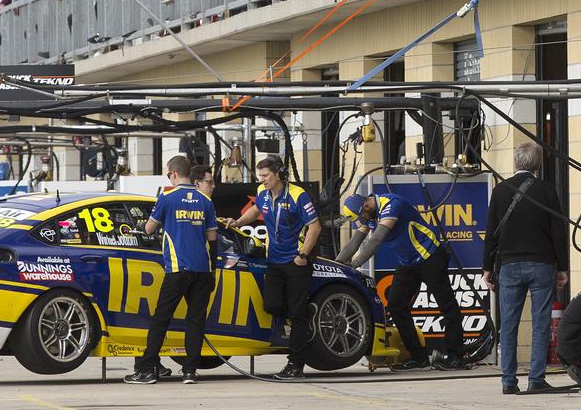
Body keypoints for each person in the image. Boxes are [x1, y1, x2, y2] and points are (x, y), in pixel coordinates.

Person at [338, 192, 465, 371]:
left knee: (447, 306)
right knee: (396, 306)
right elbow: (355, 241)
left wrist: (354, 265)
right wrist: (337, 265)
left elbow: (375, 240)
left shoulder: (391, 204)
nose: (361, 221)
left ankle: (456, 357)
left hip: (429, 256)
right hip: (408, 262)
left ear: (366, 206)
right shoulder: (368, 212)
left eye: (361, 217)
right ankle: (419, 358)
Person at [482, 141, 568, 394]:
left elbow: (491, 233)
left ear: (515, 163)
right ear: (538, 165)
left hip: (508, 265)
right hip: (542, 265)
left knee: (508, 324)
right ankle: (536, 379)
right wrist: (562, 268)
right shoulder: (547, 191)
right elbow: (558, 233)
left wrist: (487, 267)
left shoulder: (500, 191)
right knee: (540, 324)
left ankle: (508, 382)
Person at [225, 156, 320, 380]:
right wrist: (238, 222)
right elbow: (256, 210)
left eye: (266, 176)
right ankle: (306, 313)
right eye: (260, 177)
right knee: (272, 304)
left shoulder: (298, 195)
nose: (263, 180)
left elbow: (315, 227)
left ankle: (295, 365)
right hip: (274, 261)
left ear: (279, 174)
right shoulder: (263, 192)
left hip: (296, 262)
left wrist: (303, 255)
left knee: (296, 314)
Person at [125, 155, 217, 385]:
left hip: (177, 269)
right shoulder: (205, 200)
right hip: (203, 270)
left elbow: (148, 229)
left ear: (173, 174)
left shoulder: (167, 197)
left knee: (160, 319)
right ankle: (189, 372)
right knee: (195, 321)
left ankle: (146, 369)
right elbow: (212, 238)